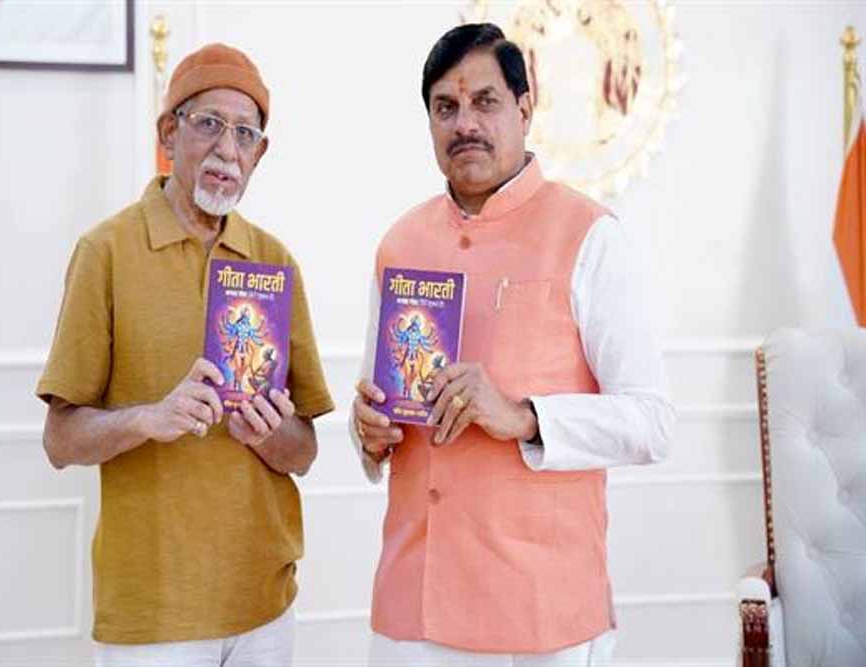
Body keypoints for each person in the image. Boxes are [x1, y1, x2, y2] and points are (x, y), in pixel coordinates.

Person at [350, 23, 676, 666]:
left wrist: (524, 415)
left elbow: (653, 422)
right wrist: (369, 432)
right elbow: (377, 411)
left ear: (525, 109)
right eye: (446, 107)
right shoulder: (400, 243)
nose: (465, 123)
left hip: (540, 616)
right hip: (410, 613)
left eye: (485, 102)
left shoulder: (591, 236)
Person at [37, 43, 334, 667]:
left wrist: (269, 433)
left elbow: (304, 452)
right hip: (153, 615)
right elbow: (60, 441)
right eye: (209, 124)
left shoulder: (275, 262)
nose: (228, 149)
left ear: (259, 154)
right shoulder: (105, 252)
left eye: (245, 134)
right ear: (169, 133)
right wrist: (149, 418)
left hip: (264, 605)